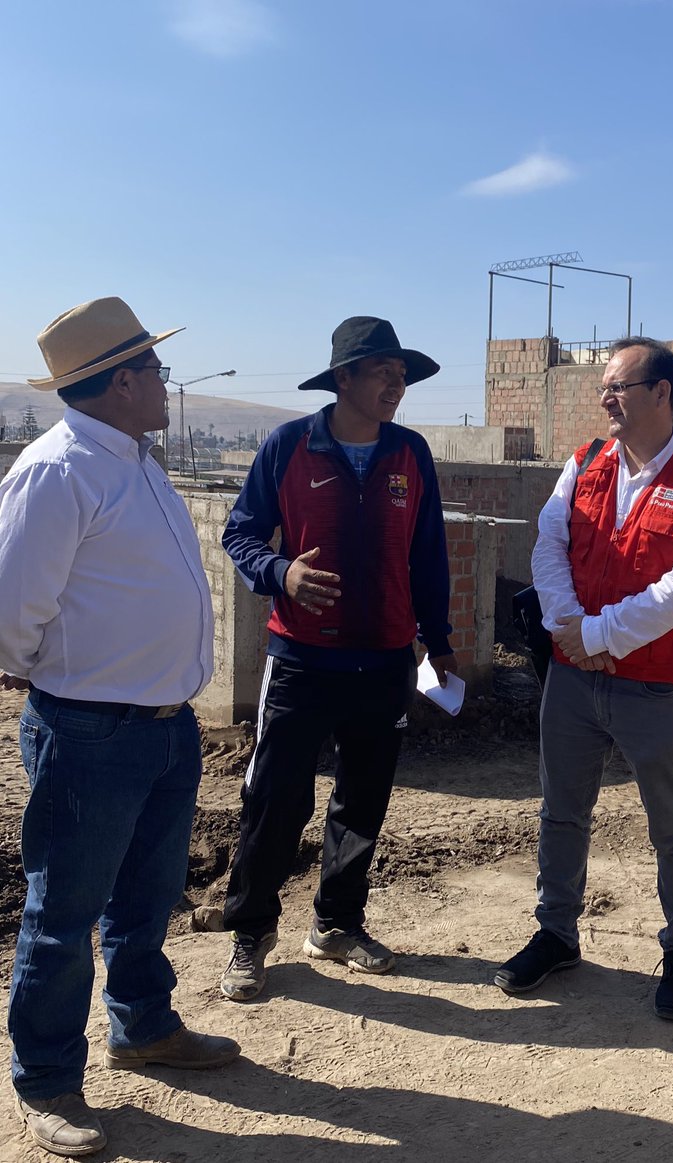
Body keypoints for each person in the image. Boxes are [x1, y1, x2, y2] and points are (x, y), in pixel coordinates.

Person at [0, 297, 240, 1158]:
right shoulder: (57, 469)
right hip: (91, 731)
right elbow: (8, 612)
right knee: (63, 911)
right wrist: (52, 673)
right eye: (158, 373)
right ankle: (48, 1079)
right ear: (124, 382)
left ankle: (142, 1026)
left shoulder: (134, 459)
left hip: (165, 729)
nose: (168, 387)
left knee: (145, 897)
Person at [194, 316, 457, 1002]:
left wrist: (442, 641)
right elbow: (241, 532)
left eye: (404, 376)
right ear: (344, 378)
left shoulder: (410, 455)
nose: (398, 387)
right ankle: (250, 933)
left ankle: (336, 924)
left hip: (386, 659)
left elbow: (428, 554)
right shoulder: (290, 446)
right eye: (385, 374)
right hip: (304, 661)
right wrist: (282, 573)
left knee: (362, 801)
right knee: (276, 800)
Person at [494, 337, 673, 1021]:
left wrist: (597, 634)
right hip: (572, 680)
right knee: (561, 810)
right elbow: (548, 543)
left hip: (656, 688)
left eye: (619, 386)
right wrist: (568, 623)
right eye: (604, 385)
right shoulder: (585, 463)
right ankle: (556, 932)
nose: (605, 398)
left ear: (663, 393)